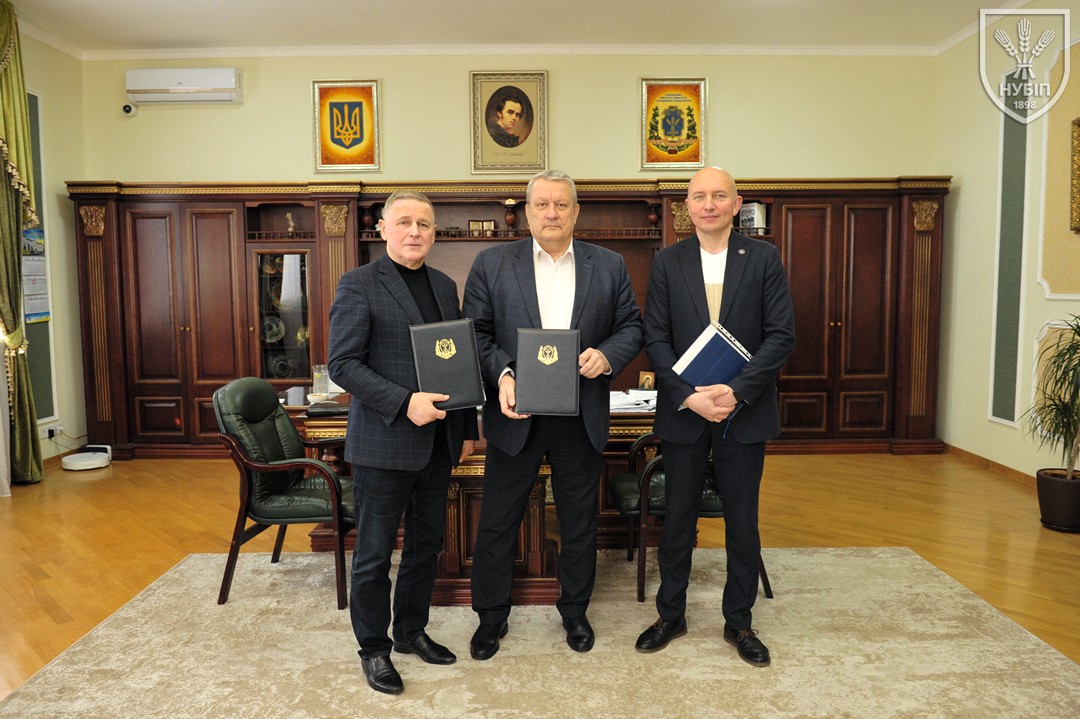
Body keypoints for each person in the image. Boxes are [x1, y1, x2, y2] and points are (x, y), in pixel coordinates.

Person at [462, 169, 644, 660]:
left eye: (562, 204)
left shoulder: (608, 264)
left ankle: (575, 611)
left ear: (576, 212)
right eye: (541, 204)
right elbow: (476, 333)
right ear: (527, 212)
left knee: (579, 520)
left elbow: (631, 326)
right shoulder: (492, 263)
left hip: (580, 413)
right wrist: (503, 375)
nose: (552, 213)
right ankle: (490, 617)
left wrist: (606, 355)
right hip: (516, 413)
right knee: (498, 520)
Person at [636, 166, 795, 666]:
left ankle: (739, 622)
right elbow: (655, 336)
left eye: (719, 196)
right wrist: (688, 396)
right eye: (700, 196)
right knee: (677, 520)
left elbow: (781, 335)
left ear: (736, 204)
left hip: (742, 412)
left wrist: (737, 391)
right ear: (687, 206)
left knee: (742, 522)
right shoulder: (668, 261)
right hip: (685, 414)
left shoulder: (764, 258)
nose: (709, 204)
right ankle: (670, 615)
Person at [328, 190, 479, 695]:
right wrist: (403, 401)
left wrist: (465, 430)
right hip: (384, 441)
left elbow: (456, 363)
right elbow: (343, 364)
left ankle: (411, 631)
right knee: (374, 553)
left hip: (438, 444)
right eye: (405, 222)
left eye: (425, 224)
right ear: (383, 229)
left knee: (426, 546)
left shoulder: (444, 285)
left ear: (434, 233)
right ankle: (374, 648)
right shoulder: (359, 283)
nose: (415, 231)